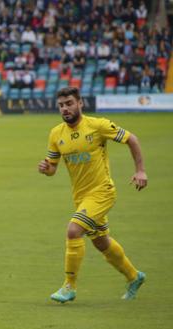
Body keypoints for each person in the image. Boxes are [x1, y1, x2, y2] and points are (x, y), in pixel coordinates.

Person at [38, 87, 147, 303]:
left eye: (69, 103)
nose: (65, 108)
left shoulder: (98, 126)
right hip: (81, 197)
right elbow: (52, 169)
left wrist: (140, 170)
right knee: (101, 242)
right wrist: (46, 168)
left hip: (102, 192)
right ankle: (134, 276)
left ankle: (69, 286)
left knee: (73, 230)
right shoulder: (56, 134)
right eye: (61, 105)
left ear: (80, 103)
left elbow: (131, 139)